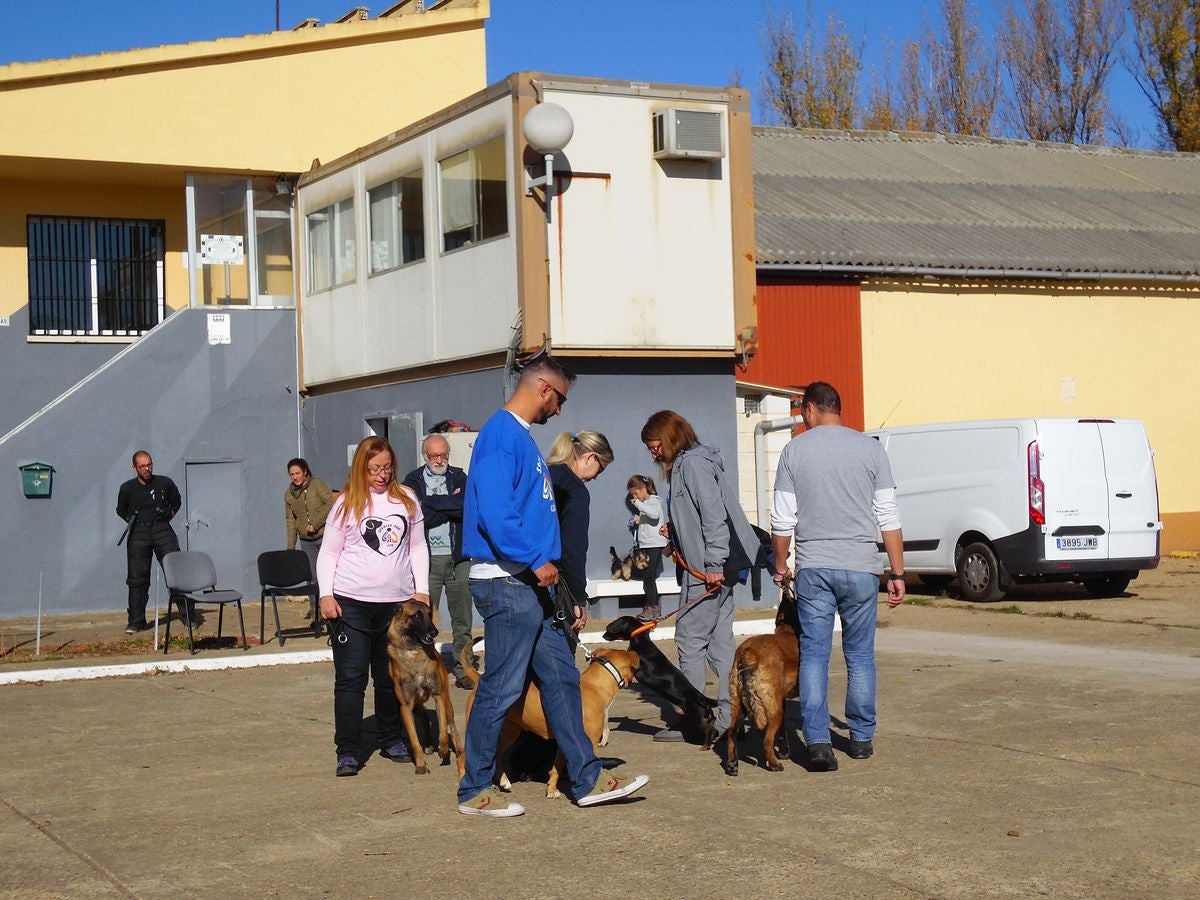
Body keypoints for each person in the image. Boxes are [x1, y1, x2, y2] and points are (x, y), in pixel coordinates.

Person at [457, 355, 648, 817]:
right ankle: (474, 789)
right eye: (560, 399)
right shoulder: (501, 436)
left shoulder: (520, 438)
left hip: (533, 582)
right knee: (501, 687)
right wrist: (535, 559)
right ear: (544, 388)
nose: (560, 411)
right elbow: (497, 514)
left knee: (563, 680)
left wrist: (550, 576)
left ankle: (586, 779)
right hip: (509, 581)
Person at [770, 381, 906, 772]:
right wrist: (897, 572)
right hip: (862, 566)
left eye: (802, 413)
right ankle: (861, 739)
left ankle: (817, 742)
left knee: (814, 654)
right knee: (860, 655)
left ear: (812, 408)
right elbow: (889, 517)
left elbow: (782, 521)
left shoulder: (794, 450)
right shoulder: (871, 449)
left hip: (814, 567)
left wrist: (782, 566)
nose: (802, 419)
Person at [640, 410, 758, 743]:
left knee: (690, 642)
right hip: (710, 568)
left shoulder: (691, 465)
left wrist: (714, 564)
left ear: (668, 437)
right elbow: (701, 514)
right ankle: (730, 715)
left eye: (654, 444)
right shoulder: (692, 463)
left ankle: (697, 721)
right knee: (720, 645)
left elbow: (713, 515)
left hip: (706, 572)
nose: (652, 451)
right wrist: (675, 531)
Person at [317, 436, 429, 777]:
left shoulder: (406, 499)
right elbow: (329, 553)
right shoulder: (346, 503)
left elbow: (417, 547)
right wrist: (325, 594)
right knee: (351, 679)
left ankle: (391, 738)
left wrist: (421, 591)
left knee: (388, 677)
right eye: (375, 469)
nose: (382, 475)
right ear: (361, 468)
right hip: (350, 603)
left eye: (387, 467)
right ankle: (348, 750)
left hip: (396, 607)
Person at [402, 434, 474, 689]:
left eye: (444, 455)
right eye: (434, 456)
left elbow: (466, 506)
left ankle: (464, 667)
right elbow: (417, 516)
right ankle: (425, 669)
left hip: (458, 558)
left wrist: (430, 503)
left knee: (462, 618)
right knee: (423, 619)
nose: (440, 460)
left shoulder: (460, 476)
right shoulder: (412, 480)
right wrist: (446, 505)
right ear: (424, 455)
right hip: (426, 562)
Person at [545, 430, 615, 612]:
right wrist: (578, 598)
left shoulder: (544, 475)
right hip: (556, 582)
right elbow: (573, 546)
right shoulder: (574, 489)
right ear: (590, 457)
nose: (596, 476)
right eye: (601, 468)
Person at [115, 451, 182, 634]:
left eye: (149, 464)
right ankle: (136, 621)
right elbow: (121, 510)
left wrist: (166, 518)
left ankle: (187, 616)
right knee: (137, 579)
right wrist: (135, 521)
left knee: (176, 572)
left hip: (162, 529)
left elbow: (176, 502)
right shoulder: (127, 488)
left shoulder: (165, 483)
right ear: (134, 468)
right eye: (143, 466)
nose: (147, 469)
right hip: (138, 531)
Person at [284, 457, 334, 619]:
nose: (295, 477)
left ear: (305, 472)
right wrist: (290, 548)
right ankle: (316, 614)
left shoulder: (317, 485)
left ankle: (335, 610)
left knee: (330, 574)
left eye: (297, 473)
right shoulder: (289, 495)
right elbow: (291, 521)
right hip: (307, 542)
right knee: (312, 578)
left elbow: (330, 503)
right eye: (292, 474)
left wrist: (316, 523)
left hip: (325, 536)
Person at [626, 474, 669, 621]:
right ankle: (652, 606)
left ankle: (652, 607)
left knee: (649, 577)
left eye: (635, 493)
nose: (634, 497)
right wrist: (640, 519)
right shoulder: (647, 504)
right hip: (647, 544)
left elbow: (655, 514)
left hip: (654, 545)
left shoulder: (653, 501)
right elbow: (650, 518)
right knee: (647, 577)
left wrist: (638, 505)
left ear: (643, 488)